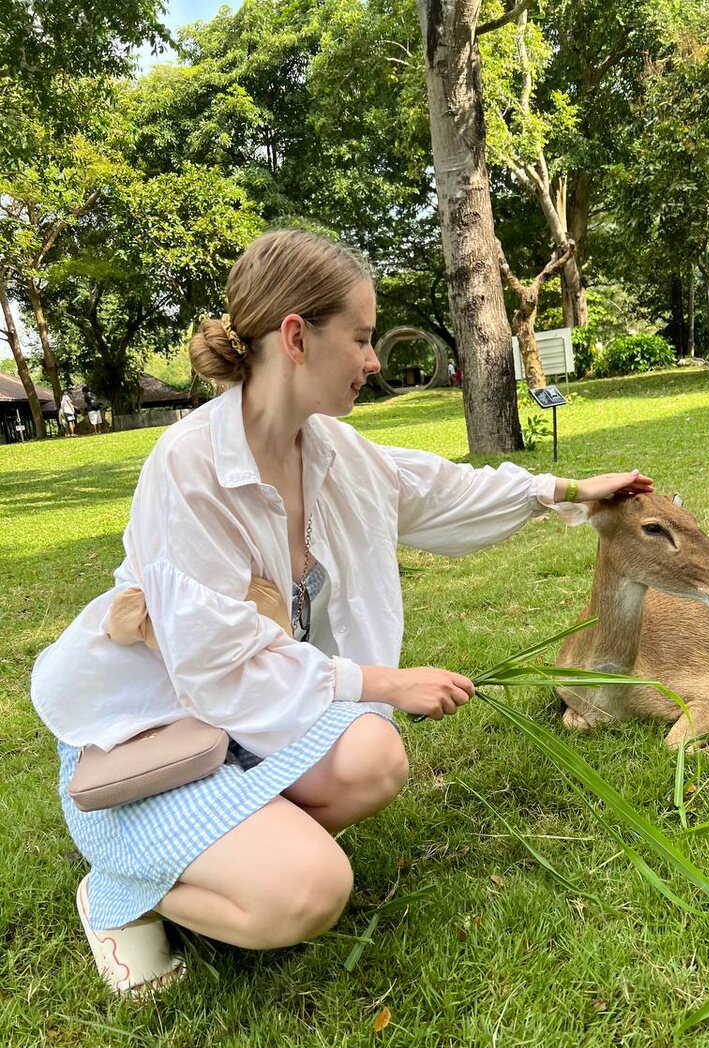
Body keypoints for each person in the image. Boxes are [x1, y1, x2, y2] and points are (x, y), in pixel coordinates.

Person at [31, 230, 653, 997]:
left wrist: (562, 491)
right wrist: (386, 683)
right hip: (151, 737)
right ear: (296, 336)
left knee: (374, 758)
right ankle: (119, 891)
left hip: (243, 726)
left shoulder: (325, 448)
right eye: (360, 338)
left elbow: (436, 491)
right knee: (312, 892)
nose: (372, 360)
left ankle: (240, 848)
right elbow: (213, 666)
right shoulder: (189, 468)